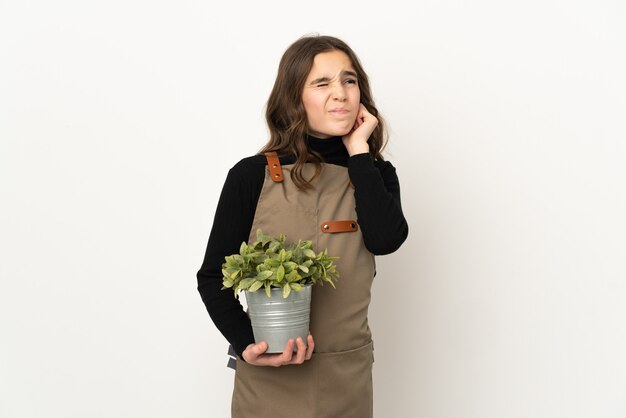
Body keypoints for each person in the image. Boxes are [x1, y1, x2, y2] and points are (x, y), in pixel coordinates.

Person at [196, 34, 409, 418]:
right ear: (294, 97)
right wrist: (247, 344)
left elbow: (386, 239)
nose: (340, 93)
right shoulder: (251, 176)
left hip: (347, 381)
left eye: (349, 80)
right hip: (269, 382)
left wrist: (359, 151)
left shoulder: (374, 175)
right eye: (322, 83)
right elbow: (212, 277)